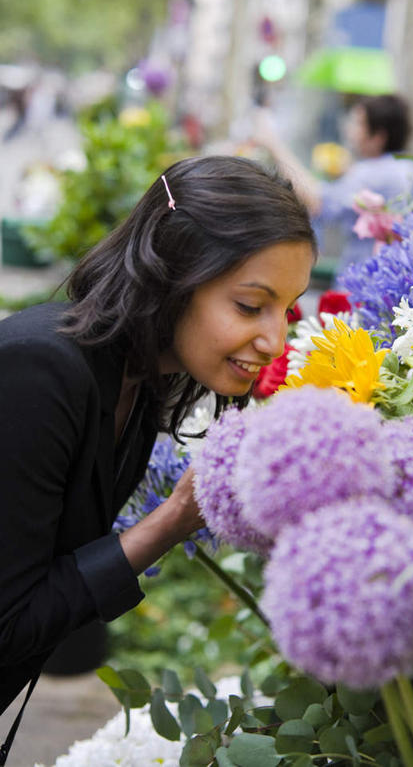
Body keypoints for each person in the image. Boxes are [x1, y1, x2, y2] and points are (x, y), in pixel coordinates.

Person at [0, 156, 316, 745]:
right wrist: (173, 518)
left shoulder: (135, 380)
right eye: (251, 306)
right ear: (172, 279)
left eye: (288, 309)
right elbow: (9, 624)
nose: (275, 341)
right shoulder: (41, 372)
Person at [252, 93, 413, 279]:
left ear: (378, 136)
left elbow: (316, 201)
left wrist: (273, 144)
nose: (349, 130)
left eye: (358, 123)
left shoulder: (374, 172)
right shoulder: (408, 167)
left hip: (365, 281)